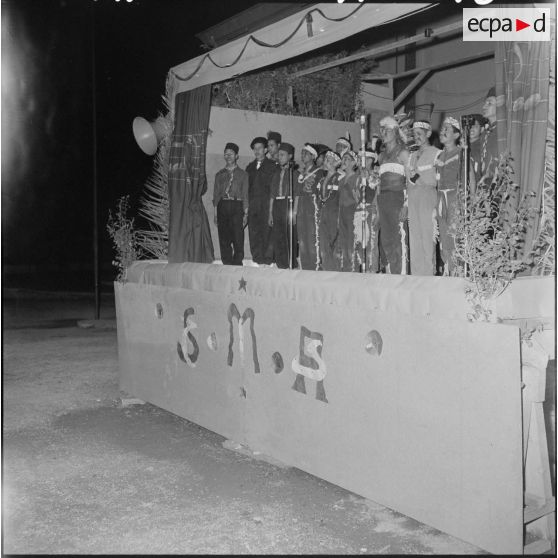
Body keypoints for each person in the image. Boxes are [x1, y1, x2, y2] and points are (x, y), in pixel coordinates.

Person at [406, 121, 441, 276]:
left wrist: (417, 176)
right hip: (413, 199)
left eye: (419, 133)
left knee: (428, 238)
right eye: (414, 134)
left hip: (428, 197)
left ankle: (429, 276)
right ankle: (416, 277)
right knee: (414, 239)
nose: (416, 137)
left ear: (428, 134)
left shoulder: (436, 153)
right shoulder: (411, 156)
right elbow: (408, 181)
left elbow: (435, 180)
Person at [377, 115, 409, 274]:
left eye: (387, 130)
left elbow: (411, 181)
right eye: (382, 130)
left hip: (398, 198)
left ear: (396, 131)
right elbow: (377, 182)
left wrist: (406, 204)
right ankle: (391, 274)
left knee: (398, 239)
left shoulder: (403, 153)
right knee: (386, 240)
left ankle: (401, 274)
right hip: (383, 199)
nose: (383, 132)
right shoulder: (381, 156)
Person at [213, 142, 249, 265]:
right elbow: (216, 195)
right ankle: (226, 263)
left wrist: (246, 214)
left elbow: (245, 195)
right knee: (224, 237)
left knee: (238, 237)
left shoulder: (243, 174)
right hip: (222, 206)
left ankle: (237, 264)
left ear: (237, 156)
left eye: (231, 154)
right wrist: (215, 213)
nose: (228, 156)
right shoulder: (219, 175)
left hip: (237, 206)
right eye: (226, 154)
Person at [436, 117, 464, 276]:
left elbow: (469, 178)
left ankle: (458, 273)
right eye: (442, 129)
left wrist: (469, 203)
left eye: (447, 129)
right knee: (444, 237)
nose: (442, 132)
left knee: (456, 237)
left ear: (456, 134)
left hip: (455, 199)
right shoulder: (439, 156)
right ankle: (447, 270)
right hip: (441, 200)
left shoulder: (461, 152)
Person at [268, 142, 299, 269]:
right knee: (278, 236)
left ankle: (291, 264)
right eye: (278, 155)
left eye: (282, 155)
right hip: (277, 206)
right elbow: (272, 195)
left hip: (288, 205)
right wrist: (270, 213)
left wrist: (295, 212)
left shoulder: (295, 174)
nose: (279, 157)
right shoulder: (276, 174)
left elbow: (297, 194)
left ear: (290, 156)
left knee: (289, 236)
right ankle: (281, 265)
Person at [245, 136, 276, 265]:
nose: (257, 151)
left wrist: (271, 210)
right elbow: (246, 189)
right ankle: (257, 260)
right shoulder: (249, 167)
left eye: (260, 148)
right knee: (254, 233)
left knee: (267, 233)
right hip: (253, 207)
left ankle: (268, 261)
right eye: (255, 149)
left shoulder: (272, 166)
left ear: (265, 150)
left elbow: (274, 189)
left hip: (266, 206)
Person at [315, 150, 344, 271]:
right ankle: (326, 269)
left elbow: (342, 199)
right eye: (325, 159)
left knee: (335, 242)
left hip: (335, 214)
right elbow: (317, 198)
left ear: (336, 163)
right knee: (323, 243)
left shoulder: (340, 178)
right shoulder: (321, 180)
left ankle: (335, 271)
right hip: (323, 214)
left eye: (329, 160)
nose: (325, 161)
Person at [295, 143, 322, 270]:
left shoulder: (319, 172)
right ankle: (305, 269)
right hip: (301, 208)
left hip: (312, 208)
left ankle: (315, 270)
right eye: (302, 153)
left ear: (313, 156)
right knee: (302, 241)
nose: (303, 155)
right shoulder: (299, 174)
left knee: (312, 240)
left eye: (306, 153)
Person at [353, 149, 380, 273]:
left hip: (370, 210)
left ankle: (372, 270)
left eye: (361, 159)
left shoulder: (375, 174)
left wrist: (367, 176)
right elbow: (356, 198)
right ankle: (362, 268)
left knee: (371, 243)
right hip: (359, 211)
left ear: (369, 160)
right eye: (358, 159)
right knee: (359, 242)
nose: (358, 161)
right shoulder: (358, 177)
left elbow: (376, 192)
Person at [338, 150, 360, 271]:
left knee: (352, 242)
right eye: (343, 158)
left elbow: (358, 198)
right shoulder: (341, 180)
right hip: (342, 213)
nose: (343, 161)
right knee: (343, 242)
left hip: (352, 213)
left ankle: (353, 269)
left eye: (346, 158)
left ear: (353, 162)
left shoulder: (356, 178)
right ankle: (345, 269)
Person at [480, 87, 499, 187]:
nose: (484, 107)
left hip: (498, 183)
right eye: (485, 103)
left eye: (489, 103)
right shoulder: (485, 133)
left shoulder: (502, 131)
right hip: (485, 183)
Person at [467, 114, 487, 186]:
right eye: (469, 126)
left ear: (481, 129)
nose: (471, 128)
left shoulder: (484, 146)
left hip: (478, 188)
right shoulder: (460, 147)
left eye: (475, 126)